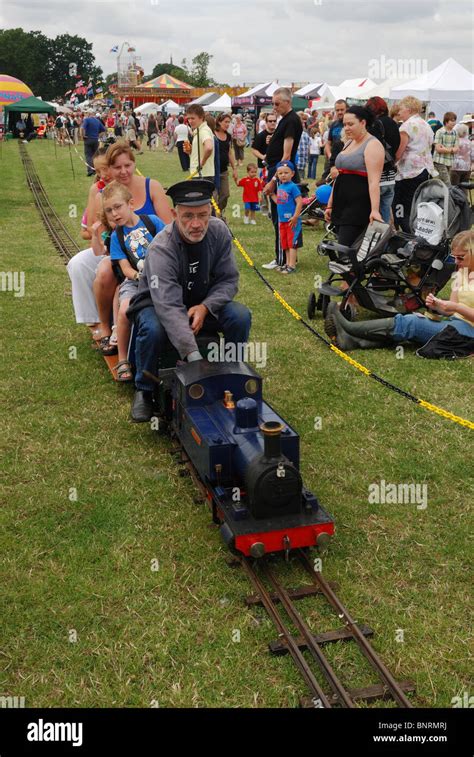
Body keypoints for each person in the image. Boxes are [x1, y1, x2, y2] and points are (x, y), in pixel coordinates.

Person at [126, 179, 252, 422]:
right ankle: (144, 389)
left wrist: (206, 307)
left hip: (202, 302)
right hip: (157, 304)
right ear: (174, 214)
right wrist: (196, 361)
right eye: (188, 216)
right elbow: (169, 306)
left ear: (211, 212)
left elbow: (229, 281)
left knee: (239, 316)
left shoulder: (219, 232)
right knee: (152, 329)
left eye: (203, 215)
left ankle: (232, 373)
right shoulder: (162, 248)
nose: (196, 224)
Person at [66, 143, 172, 343]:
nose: (124, 171)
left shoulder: (152, 186)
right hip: (120, 249)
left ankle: (120, 323)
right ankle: (100, 323)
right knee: (80, 264)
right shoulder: (104, 195)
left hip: (152, 249)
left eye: (128, 165)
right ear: (109, 169)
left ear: (134, 163)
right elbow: (99, 236)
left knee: (108, 269)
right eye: (117, 167)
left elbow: (168, 228)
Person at [324, 230, 474, 352]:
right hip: (455, 324)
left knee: (411, 323)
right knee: (412, 322)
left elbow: (456, 308)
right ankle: (350, 340)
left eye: (460, 258)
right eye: (454, 257)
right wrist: (437, 306)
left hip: (468, 334)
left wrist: (455, 307)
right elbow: (452, 310)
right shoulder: (461, 273)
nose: (456, 262)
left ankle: (349, 328)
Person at [102, 182, 165, 381]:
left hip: (162, 275)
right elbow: (125, 268)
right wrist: (139, 276)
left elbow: (169, 245)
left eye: (118, 207)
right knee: (124, 309)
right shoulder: (116, 236)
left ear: (131, 203)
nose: (114, 214)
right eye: (109, 210)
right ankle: (122, 359)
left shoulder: (152, 222)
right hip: (135, 280)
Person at [324, 106, 384, 247]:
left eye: (351, 124)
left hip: (358, 206)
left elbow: (374, 181)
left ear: (363, 123)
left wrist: (374, 210)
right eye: (345, 124)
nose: (347, 128)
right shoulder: (349, 142)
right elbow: (340, 176)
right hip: (341, 204)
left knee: (346, 250)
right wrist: (330, 205)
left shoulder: (373, 145)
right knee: (342, 248)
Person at [262, 87, 303, 269]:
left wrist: (273, 180)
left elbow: (286, 155)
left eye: (277, 103)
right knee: (279, 217)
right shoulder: (286, 120)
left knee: (280, 218)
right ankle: (287, 257)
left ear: (288, 102)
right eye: (273, 103)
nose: (274, 107)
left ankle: (282, 259)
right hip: (276, 171)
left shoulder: (291, 121)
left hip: (280, 173)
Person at [392, 96, 436, 233]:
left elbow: (400, 151)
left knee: (402, 206)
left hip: (409, 171)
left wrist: (391, 163)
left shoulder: (406, 126)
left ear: (409, 109)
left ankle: (407, 234)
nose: (399, 112)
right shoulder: (426, 124)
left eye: (402, 108)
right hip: (425, 169)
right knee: (416, 204)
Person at [365, 96, 401, 224]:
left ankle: (373, 242)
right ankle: (384, 242)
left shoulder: (375, 125)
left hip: (377, 177)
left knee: (372, 216)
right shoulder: (394, 124)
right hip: (390, 176)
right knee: (385, 216)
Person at [270, 160, 303, 274]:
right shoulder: (280, 187)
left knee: (292, 244)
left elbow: (299, 202)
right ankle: (287, 263)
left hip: (292, 221)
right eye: (280, 173)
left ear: (292, 173)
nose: (283, 175)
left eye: (286, 172)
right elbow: (279, 202)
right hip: (282, 220)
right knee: (285, 244)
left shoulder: (293, 187)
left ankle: (292, 265)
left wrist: (295, 216)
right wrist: (272, 194)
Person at [251, 111, 278, 216]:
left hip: (275, 165)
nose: (272, 123)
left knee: (273, 187)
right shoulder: (261, 135)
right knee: (263, 188)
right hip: (263, 167)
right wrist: (263, 157)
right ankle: (265, 209)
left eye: (274, 121)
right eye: (270, 121)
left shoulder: (278, 134)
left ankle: (272, 209)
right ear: (266, 122)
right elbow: (254, 150)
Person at [215, 112, 238, 215]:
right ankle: (215, 215)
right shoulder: (212, 134)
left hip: (224, 170)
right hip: (213, 170)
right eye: (226, 122)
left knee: (225, 194)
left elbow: (229, 152)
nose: (228, 124)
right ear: (219, 122)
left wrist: (234, 169)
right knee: (214, 196)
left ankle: (218, 212)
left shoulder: (228, 136)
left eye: (229, 122)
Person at [186, 104, 215, 184]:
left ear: (201, 117)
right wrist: (190, 152)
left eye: (193, 118)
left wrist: (202, 163)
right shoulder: (199, 130)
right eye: (188, 118)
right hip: (200, 174)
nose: (190, 121)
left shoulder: (203, 131)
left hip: (201, 175)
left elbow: (209, 147)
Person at [433, 112, 459, 186]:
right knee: (447, 184)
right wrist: (451, 150)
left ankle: (442, 197)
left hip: (450, 161)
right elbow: (438, 149)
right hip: (440, 162)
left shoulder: (455, 133)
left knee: (442, 184)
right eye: (452, 120)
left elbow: (457, 149)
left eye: (454, 120)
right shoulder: (440, 132)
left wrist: (445, 149)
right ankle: (449, 197)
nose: (454, 123)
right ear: (446, 121)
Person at [81, 110, 106, 176]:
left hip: (88, 139)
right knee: (95, 156)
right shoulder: (97, 121)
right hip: (95, 140)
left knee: (88, 155)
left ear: (89, 114)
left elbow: (82, 128)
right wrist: (98, 136)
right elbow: (103, 130)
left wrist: (83, 136)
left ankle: (90, 171)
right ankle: (95, 170)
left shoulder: (86, 120)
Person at [450, 123, 472, 189]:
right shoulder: (470, 142)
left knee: (455, 187)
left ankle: (455, 199)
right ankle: (464, 198)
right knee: (464, 187)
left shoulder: (455, 142)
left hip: (455, 167)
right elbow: (472, 155)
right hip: (467, 167)